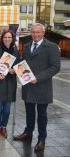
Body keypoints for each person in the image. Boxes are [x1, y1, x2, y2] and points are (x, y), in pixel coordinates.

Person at [13, 23, 60, 152]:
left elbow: (55, 67)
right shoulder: (27, 46)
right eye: (33, 32)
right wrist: (15, 68)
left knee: (42, 115)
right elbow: (23, 63)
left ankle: (41, 139)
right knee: (29, 112)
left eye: (38, 32)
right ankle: (28, 133)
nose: (35, 34)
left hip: (42, 87)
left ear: (43, 33)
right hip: (28, 86)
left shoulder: (52, 47)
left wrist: (38, 78)